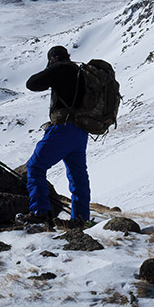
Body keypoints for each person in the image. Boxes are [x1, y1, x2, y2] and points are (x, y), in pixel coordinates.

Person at [19, 45, 91, 227]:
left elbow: (32, 83)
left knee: (35, 167)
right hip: (80, 130)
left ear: (52, 59)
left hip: (63, 128)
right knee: (78, 177)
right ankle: (80, 218)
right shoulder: (79, 71)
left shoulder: (59, 69)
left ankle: (40, 213)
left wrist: (50, 69)